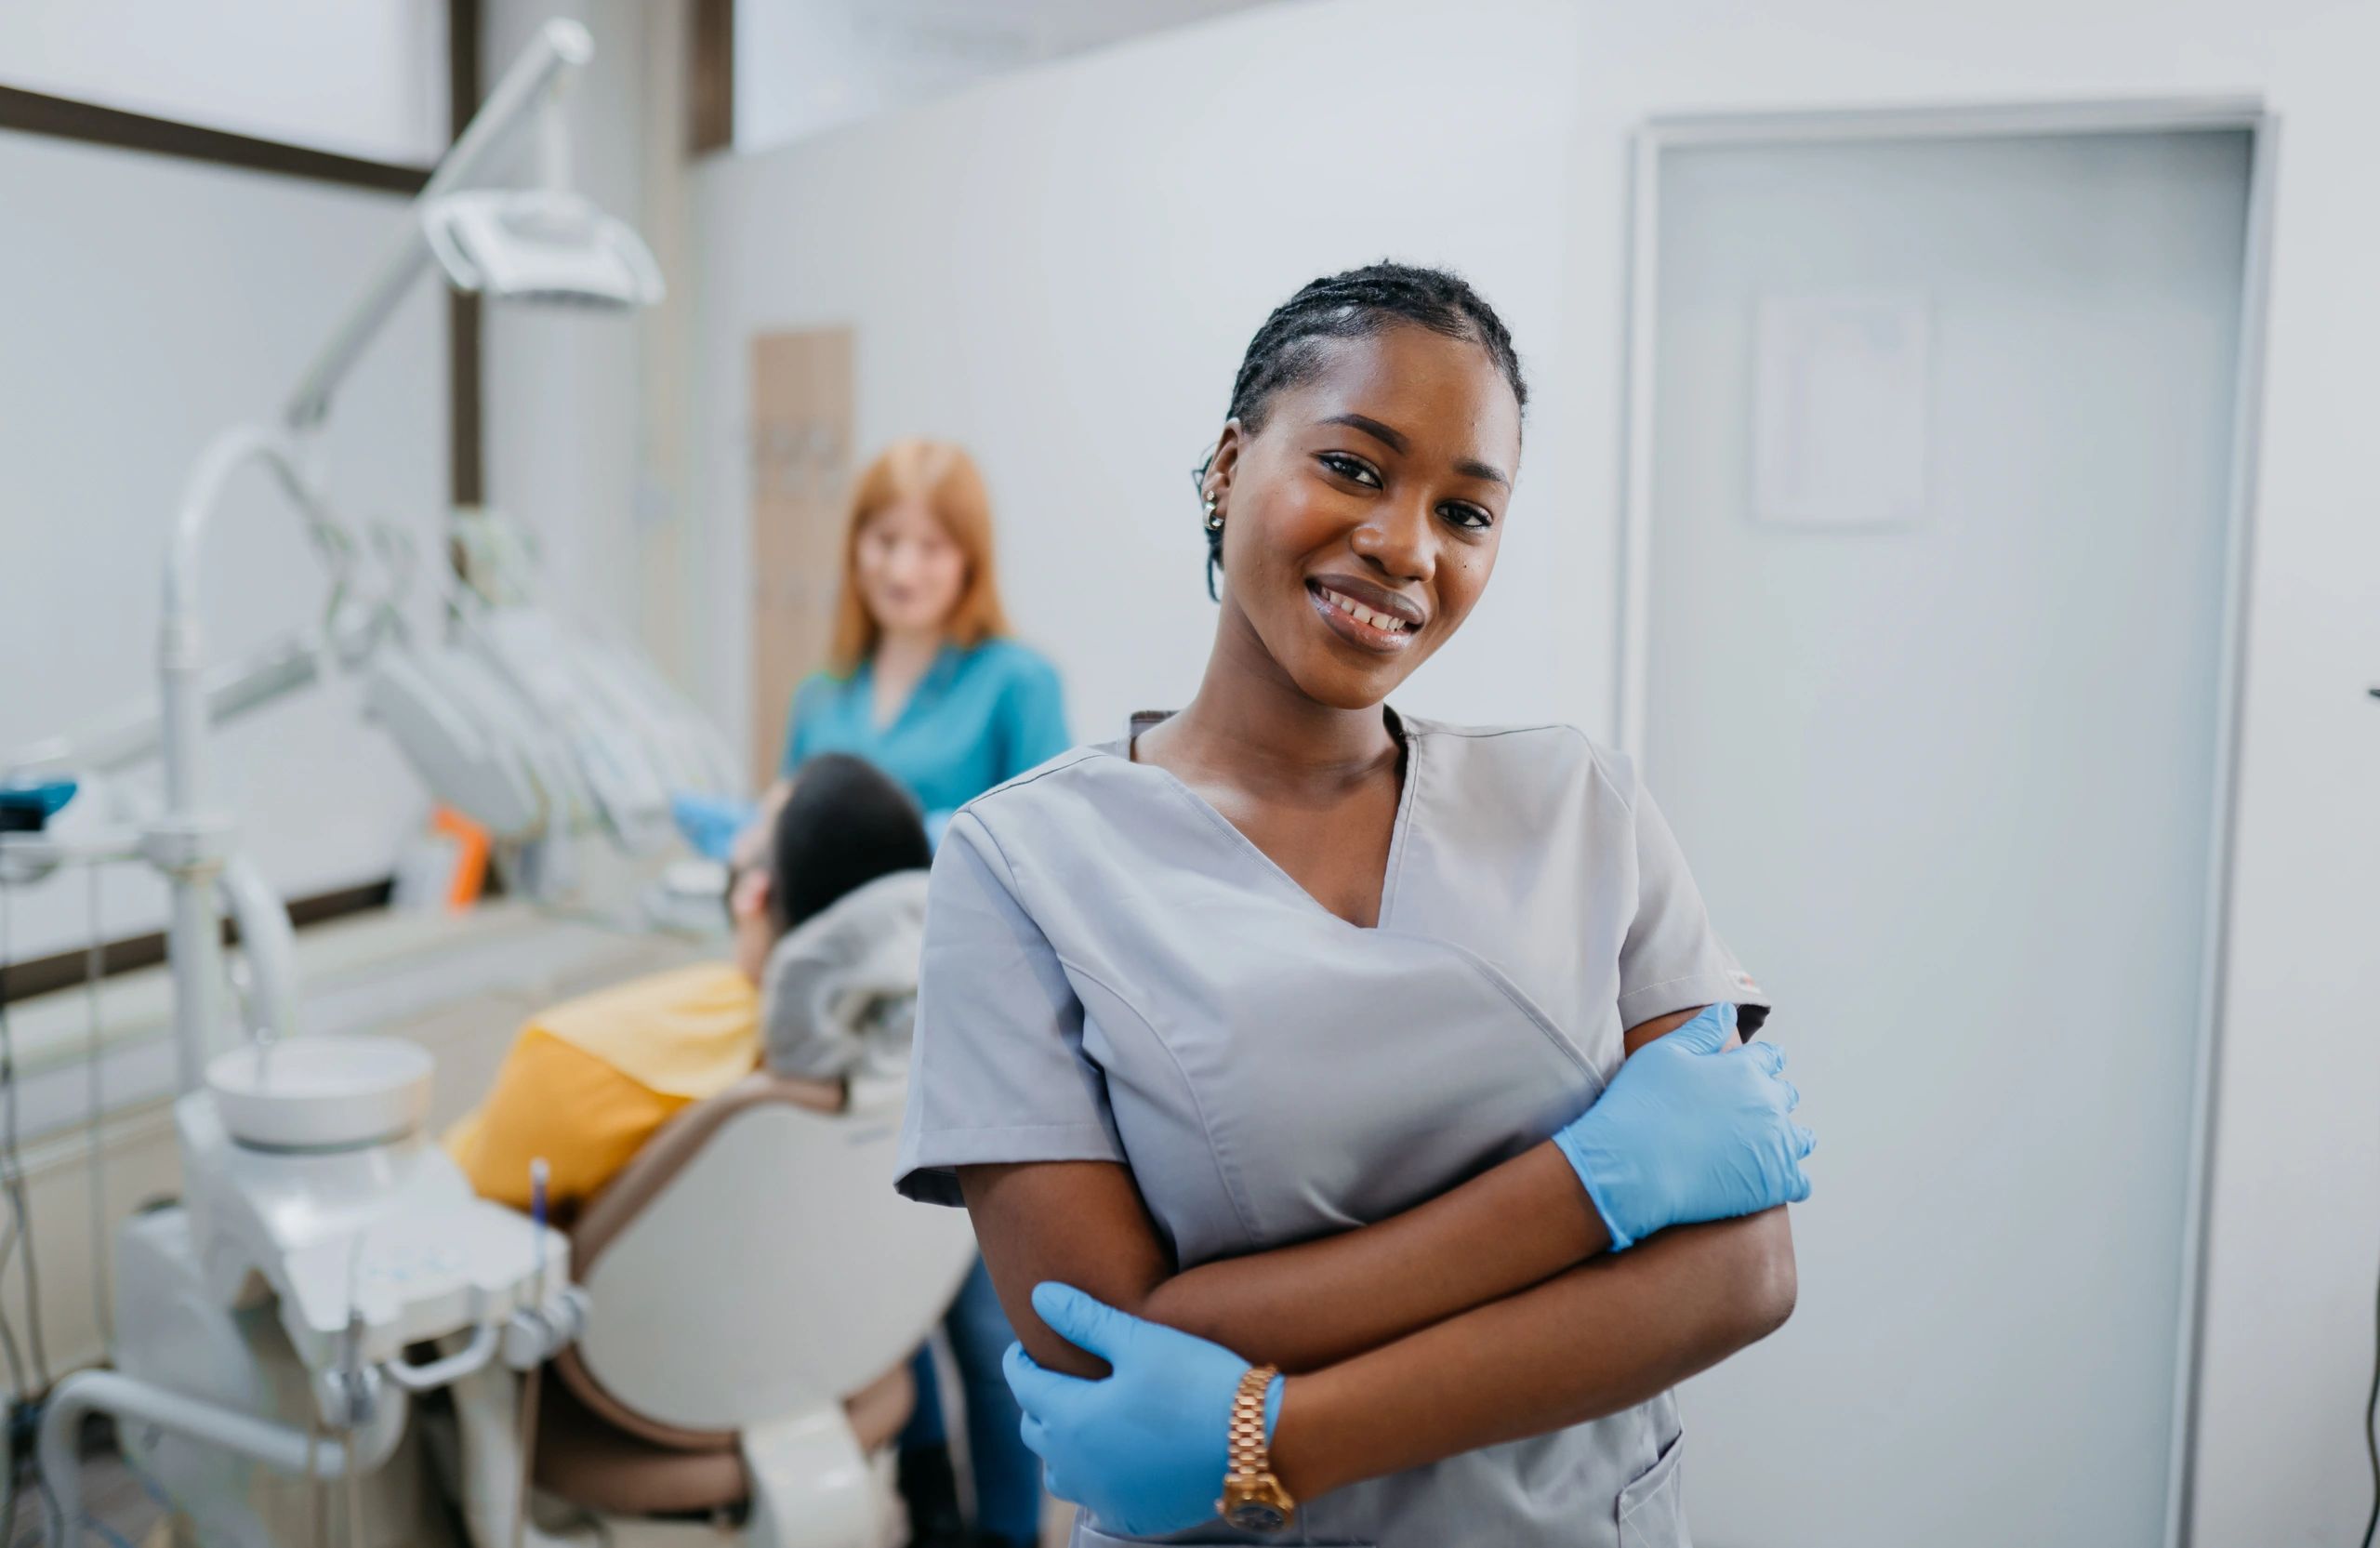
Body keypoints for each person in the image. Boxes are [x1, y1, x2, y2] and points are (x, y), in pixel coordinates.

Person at [893, 264, 1814, 1547]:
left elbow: (1742, 1272)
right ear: (1229, 466)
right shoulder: (1024, 864)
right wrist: (1594, 1189)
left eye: (1466, 512)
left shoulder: (1581, 804)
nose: (1405, 546)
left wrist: (1275, 1431)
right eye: (1354, 467)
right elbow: (1102, 1348)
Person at [445, 753, 932, 1222]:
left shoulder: (569, 1056)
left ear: (753, 893)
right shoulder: (913, 1048)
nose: (739, 836)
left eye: (756, 825)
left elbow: (479, 1188)